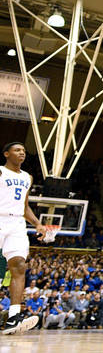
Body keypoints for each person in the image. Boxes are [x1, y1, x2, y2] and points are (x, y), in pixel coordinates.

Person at [0, 142, 48, 334]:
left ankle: (13, 318)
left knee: (20, 265)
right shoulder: (1, 172)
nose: (22, 153)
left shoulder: (27, 177)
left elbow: (25, 205)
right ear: (6, 154)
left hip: (17, 223)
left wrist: (37, 223)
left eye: (24, 151)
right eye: (17, 150)